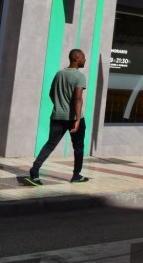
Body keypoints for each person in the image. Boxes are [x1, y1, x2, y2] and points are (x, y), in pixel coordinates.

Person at [25, 49, 89, 185]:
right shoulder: (80, 76)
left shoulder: (59, 74)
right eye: (83, 57)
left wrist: (60, 106)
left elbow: (51, 93)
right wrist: (77, 119)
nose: (85, 60)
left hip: (57, 116)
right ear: (76, 58)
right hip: (73, 118)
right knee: (78, 147)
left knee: (50, 144)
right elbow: (78, 98)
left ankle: (35, 169)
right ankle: (76, 175)